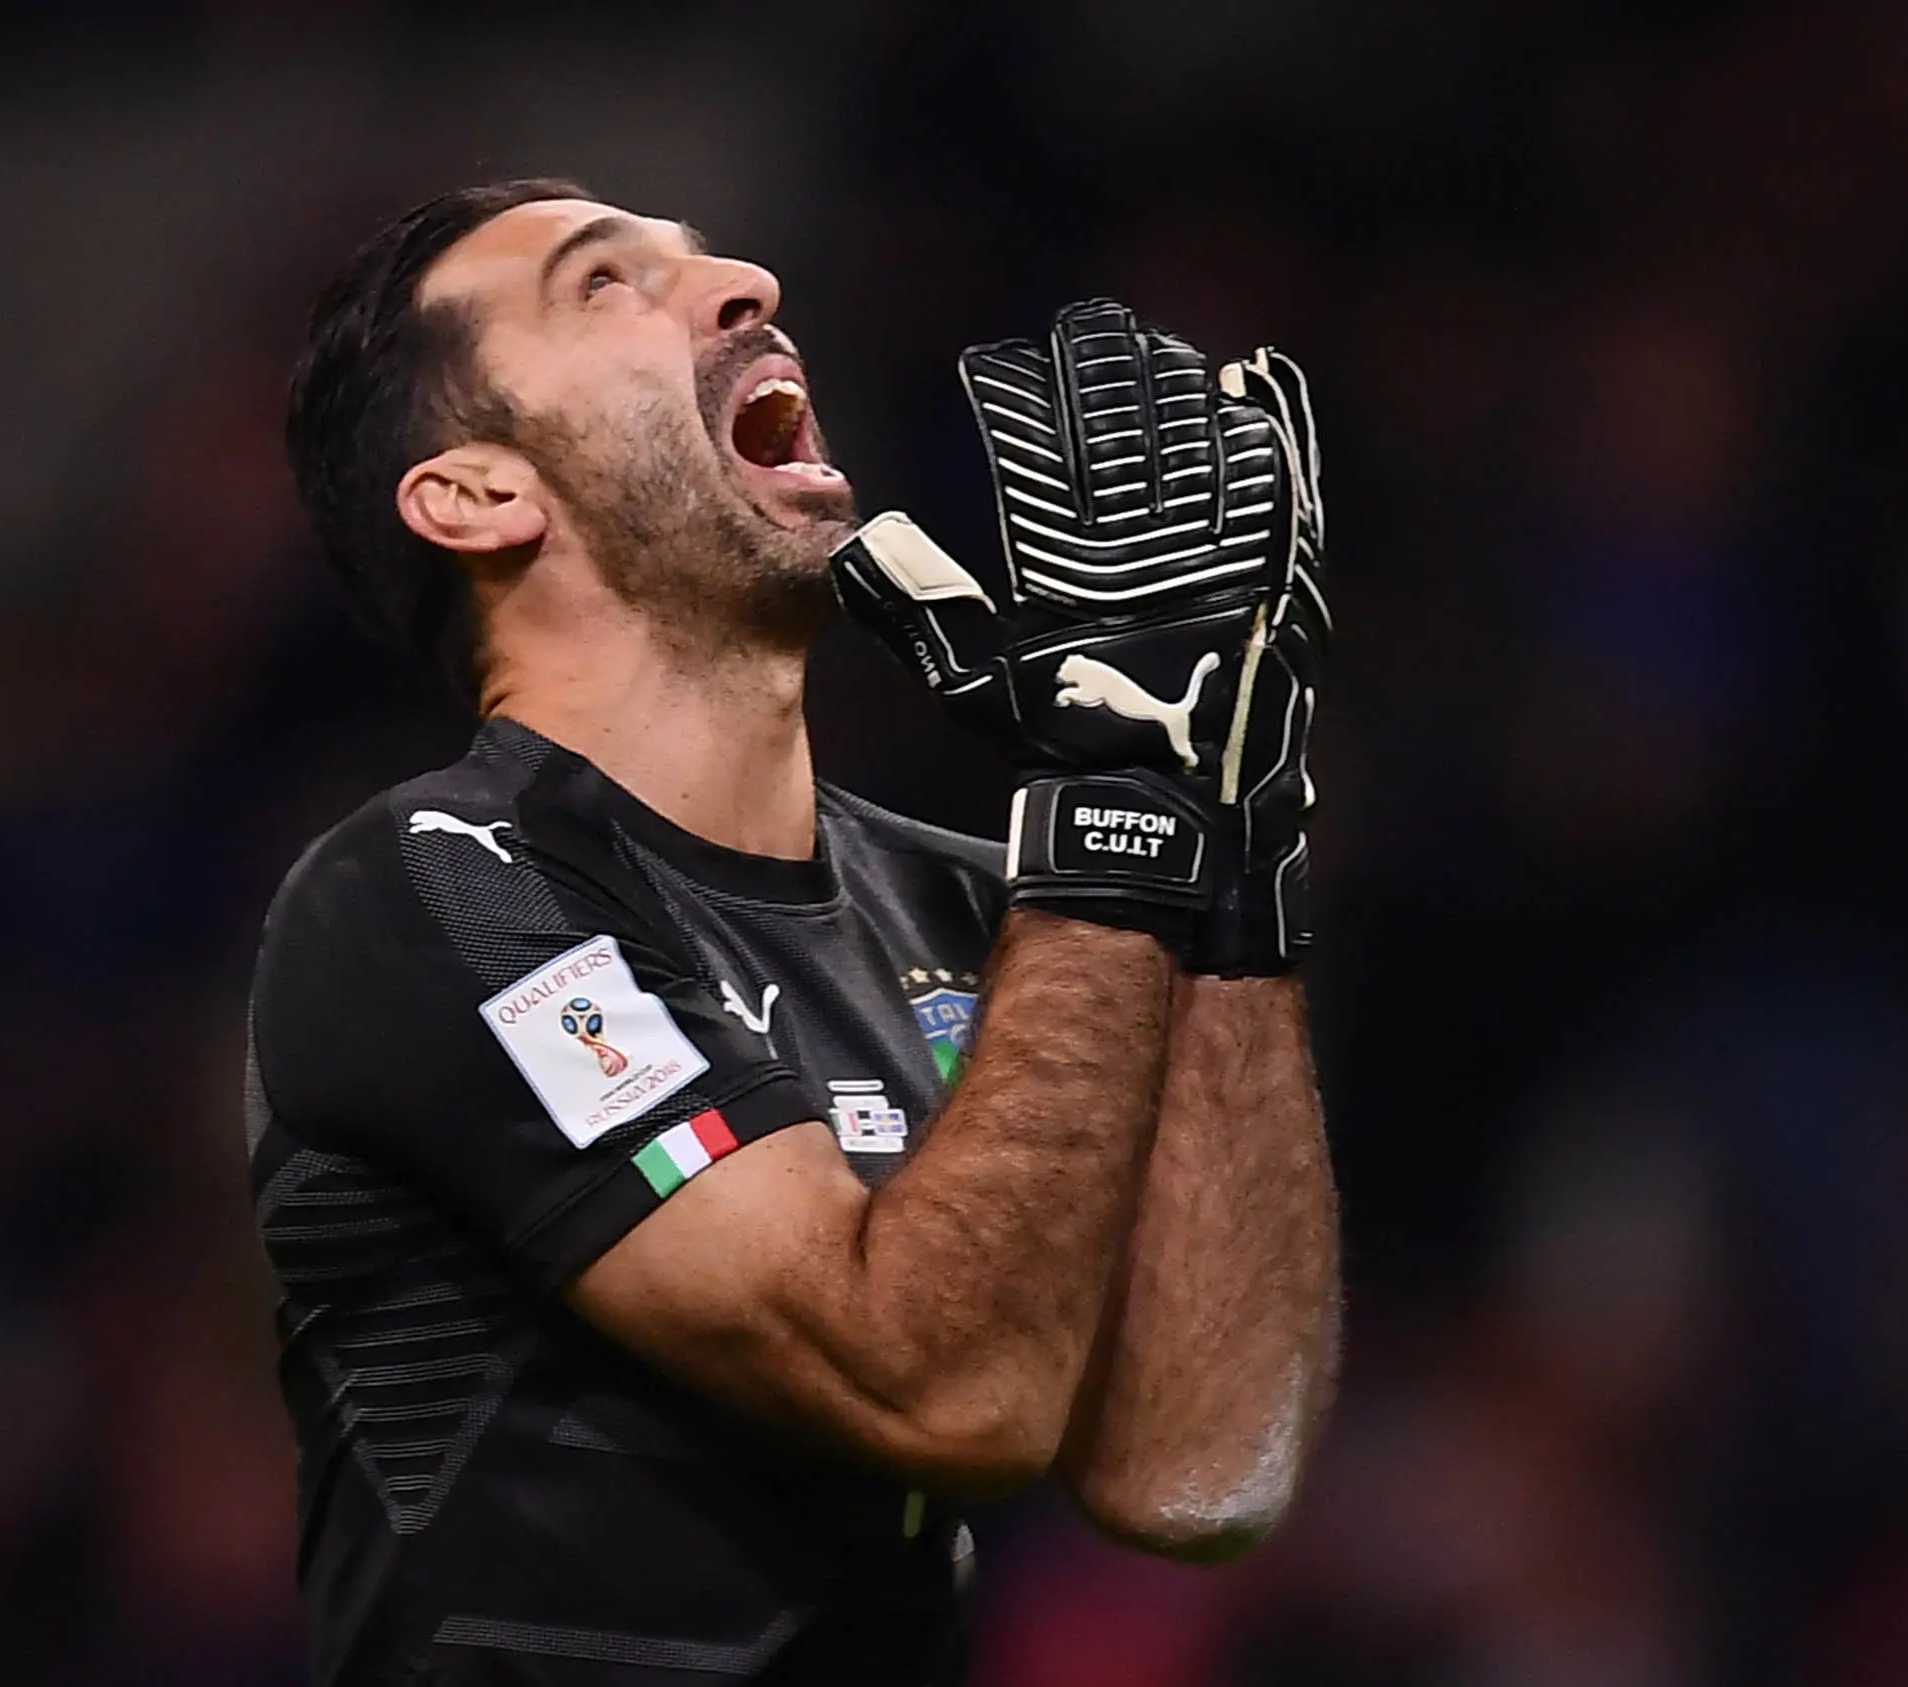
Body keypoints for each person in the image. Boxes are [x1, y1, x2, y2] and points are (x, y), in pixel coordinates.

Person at [250, 176, 1339, 1686]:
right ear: (479, 493)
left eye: (710, 258)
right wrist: (1111, 807)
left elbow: (1198, 1467)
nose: (749, 281)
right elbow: (938, 1385)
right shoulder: (442, 888)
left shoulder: (990, 908)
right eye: (606, 285)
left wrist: (1228, 852)